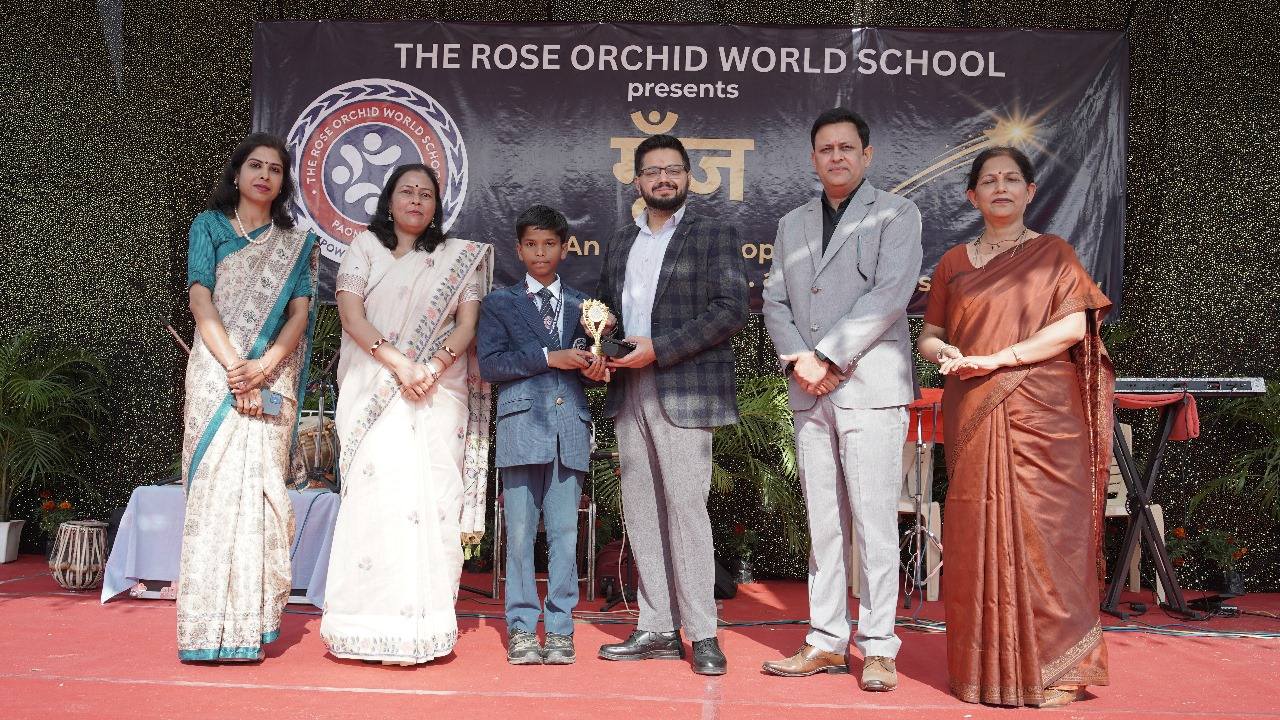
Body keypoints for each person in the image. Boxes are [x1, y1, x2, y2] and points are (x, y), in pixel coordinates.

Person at [917, 146, 1113, 708]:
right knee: (978, 530)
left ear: (1030, 192)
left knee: (1052, 536)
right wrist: (945, 353)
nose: (999, 187)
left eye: (1010, 179)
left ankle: (1059, 671)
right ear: (971, 195)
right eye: (988, 180)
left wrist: (999, 359)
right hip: (974, 403)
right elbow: (929, 335)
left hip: (1044, 412)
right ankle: (987, 671)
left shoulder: (1054, 254)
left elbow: (1072, 328)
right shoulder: (953, 262)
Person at [761, 108, 922, 691]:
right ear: (812, 158)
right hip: (808, 388)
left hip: (870, 385)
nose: (836, 156)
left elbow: (891, 294)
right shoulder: (791, 223)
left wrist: (827, 357)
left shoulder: (897, 213)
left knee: (874, 522)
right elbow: (775, 300)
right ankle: (826, 639)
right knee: (824, 524)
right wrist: (799, 360)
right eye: (825, 149)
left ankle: (878, 646)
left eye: (846, 147)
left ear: (867, 154)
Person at [321, 163, 493, 665]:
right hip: (376, 384)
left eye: (426, 194)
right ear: (389, 200)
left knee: (431, 501)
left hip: (436, 392)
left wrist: (432, 367)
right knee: (376, 497)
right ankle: (362, 625)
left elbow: (467, 324)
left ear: (437, 206)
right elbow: (350, 314)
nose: (416, 201)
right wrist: (401, 364)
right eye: (407, 192)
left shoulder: (456, 257)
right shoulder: (364, 248)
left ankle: (424, 624)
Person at [593, 134, 749, 676]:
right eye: (653, 171)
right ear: (637, 180)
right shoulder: (622, 241)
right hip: (628, 388)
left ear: (688, 177)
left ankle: (703, 632)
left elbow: (731, 309)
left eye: (674, 170)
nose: (664, 179)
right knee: (641, 510)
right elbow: (606, 311)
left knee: (685, 509)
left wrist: (660, 348)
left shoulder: (713, 234)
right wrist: (603, 347)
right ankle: (657, 626)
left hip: (683, 387)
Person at [178, 132, 318, 662]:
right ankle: (203, 629)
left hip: (270, 375)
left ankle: (250, 626)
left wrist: (263, 367)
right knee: (214, 495)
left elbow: (299, 315)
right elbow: (200, 298)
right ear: (237, 174)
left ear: (283, 183)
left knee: (262, 498)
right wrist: (237, 369)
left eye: (275, 169)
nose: (264, 175)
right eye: (255, 166)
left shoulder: (295, 244)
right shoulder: (209, 226)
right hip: (215, 373)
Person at [477, 205, 606, 665]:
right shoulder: (499, 303)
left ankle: (560, 629)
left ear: (565, 248)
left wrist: (596, 368)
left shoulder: (585, 307)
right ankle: (520, 627)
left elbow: (593, 364)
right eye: (531, 244)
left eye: (549, 244)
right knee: (519, 535)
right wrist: (550, 357)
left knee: (566, 535)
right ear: (518, 249)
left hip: (569, 430)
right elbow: (491, 366)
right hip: (520, 428)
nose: (540, 252)